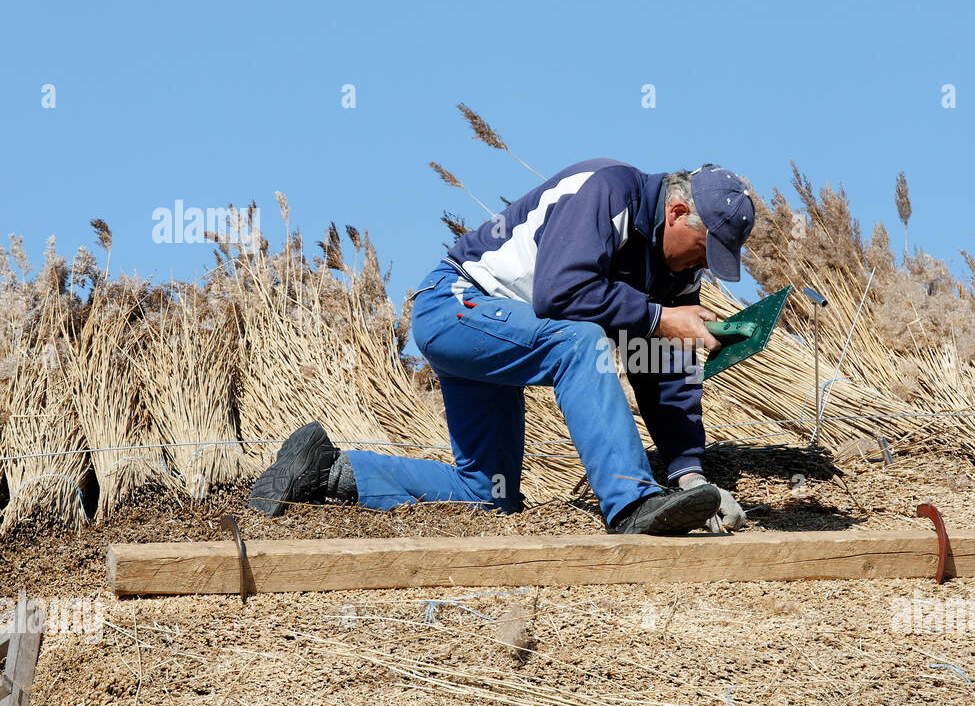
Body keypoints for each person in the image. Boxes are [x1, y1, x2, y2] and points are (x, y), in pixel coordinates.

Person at [249, 158, 754, 535]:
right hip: (455, 307)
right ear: (677, 211)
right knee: (581, 340)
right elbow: (563, 292)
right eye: (706, 251)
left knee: (488, 497)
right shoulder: (608, 190)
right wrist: (659, 317)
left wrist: (689, 476)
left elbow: (664, 371)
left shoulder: (675, 275)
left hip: (494, 340)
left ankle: (327, 469)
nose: (705, 266)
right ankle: (630, 504)